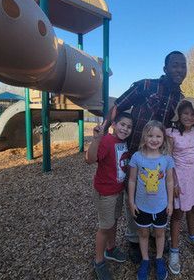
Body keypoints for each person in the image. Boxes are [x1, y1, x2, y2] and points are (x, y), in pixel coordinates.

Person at [107, 51, 187, 262]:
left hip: (159, 157)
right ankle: (134, 238)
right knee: (133, 194)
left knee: (156, 192)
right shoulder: (146, 86)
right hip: (134, 152)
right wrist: (104, 128)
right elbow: (119, 105)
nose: (180, 70)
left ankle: (154, 232)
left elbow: (182, 128)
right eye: (175, 65)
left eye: (183, 66)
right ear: (165, 69)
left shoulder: (181, 99)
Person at [85, 112, 133, 280]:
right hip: (105, 192)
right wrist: (96, 139)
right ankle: (99, 261)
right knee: (105, 227)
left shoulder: (124, 143)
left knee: (114, 221)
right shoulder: (106, 141)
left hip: (118, 190)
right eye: (122, 125)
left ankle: (111, 249)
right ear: (113, 124)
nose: (125, 129)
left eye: (129, 127)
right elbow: (90, 160)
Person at [166, 98, 194, 275]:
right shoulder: (170, 132)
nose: (189, 117)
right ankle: (174, 251)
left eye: (193, 114)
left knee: (193, 208)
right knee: (178, 214)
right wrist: (174, 182)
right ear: (179, 114)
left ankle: (193, 235)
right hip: (179, 176)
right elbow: (169, 158)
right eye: (185, 113)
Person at [128, 120, 174, 280]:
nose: (154, 139)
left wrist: (170, 203)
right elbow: (132, 180)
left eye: (158, 136)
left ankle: (159, 259)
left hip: (161, 206)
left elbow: (169, 181)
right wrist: (131, 202)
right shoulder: (136, 157)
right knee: (143, 233)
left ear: (163, 138)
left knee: (160, 233)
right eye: (150, 135)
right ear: (144, 137)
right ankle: (145, 260)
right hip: (142, 206)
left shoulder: (167, 159)